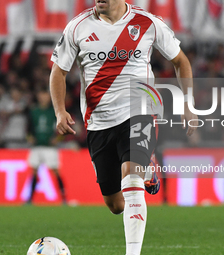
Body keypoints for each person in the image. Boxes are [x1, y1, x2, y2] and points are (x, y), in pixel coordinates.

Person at [50, 1, 197, 254]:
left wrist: (187, 102)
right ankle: (149, 172)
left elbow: (180, 61)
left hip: (140, 112)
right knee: (116, 204)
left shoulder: (148, 23)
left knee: (131, 179)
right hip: (99, 123)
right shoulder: (77, 27)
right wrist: (60, 111)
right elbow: (58, 72)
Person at [27, 89, 66, 204]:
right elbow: (28, 128)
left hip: (50, 147)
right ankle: (30, 199)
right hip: (37, 146)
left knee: (55, 171)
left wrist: (58, 138)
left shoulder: (54, 112)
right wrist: (29, 137)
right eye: (41, 94)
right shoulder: (33, 111)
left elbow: (63, 128)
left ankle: (64, 198)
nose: (43, 97)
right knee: (34, 171)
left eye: (45, 95)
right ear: (38, 96)